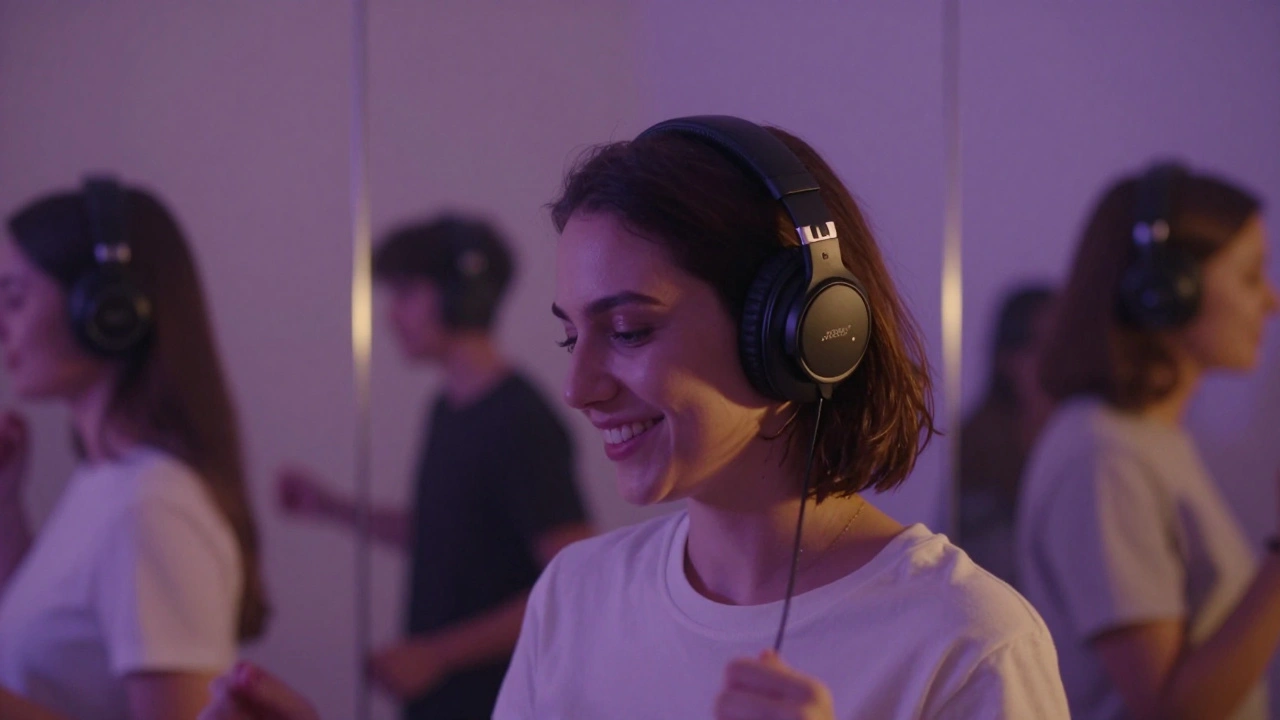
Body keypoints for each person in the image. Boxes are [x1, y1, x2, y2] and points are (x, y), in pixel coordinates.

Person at [204, 116, 1069, 720]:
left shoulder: (966, 645)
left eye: (626, 331)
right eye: (568, 335)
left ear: (800, 332)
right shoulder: (576, 598)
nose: (578, 387)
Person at [275, 214, 592, 719]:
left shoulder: (520, 421)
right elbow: (445, 534)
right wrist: (332, 508)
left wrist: (436, 655)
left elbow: (574, 578)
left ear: (460, 296)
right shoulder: (447, 408)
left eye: (405, 292)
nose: (390, 315)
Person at [1015, 162, 1280, 720]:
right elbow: (1167, 710)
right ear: (1168, 291)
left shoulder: (1147, 441)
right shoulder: (1103, 458)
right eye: (1251, 276)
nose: (1271, 300)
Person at [0, 177, 269, 720]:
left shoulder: (152, 508)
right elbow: (50, 643)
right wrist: (5, 503)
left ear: (107, 310)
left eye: (14, 299)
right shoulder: (106, 483)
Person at [955, 284, 1056, 584]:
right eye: (1040, 346)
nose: (1054, 361)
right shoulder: (981, 444)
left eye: (1061, 345)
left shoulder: (1082, 436)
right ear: (1007, 358)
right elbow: (986, 568)